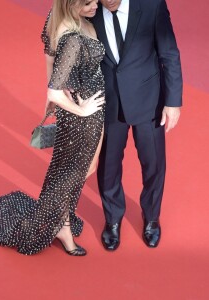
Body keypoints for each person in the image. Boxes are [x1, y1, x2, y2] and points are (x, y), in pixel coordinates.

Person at [0, 0, 105, 256]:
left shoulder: (60, 20)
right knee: (71, 173)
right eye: (88, 4)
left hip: (85, 108)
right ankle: (62, 226)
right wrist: (79, 109)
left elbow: (48, 57)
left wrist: (55, 100)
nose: (95, 6)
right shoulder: (72, 38)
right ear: (72, 5)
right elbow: (54, 91)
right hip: (82, 115)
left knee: (78, 169)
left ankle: (61, 220)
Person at [92, 0, 183, 250]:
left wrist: (173, 102)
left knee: (153, 165)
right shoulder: (89, 9)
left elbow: (169, 53)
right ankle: (112, 220)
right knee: (108, 167)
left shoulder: (152, 5)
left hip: (149, 101)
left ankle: (151, 218)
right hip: (108, 103)